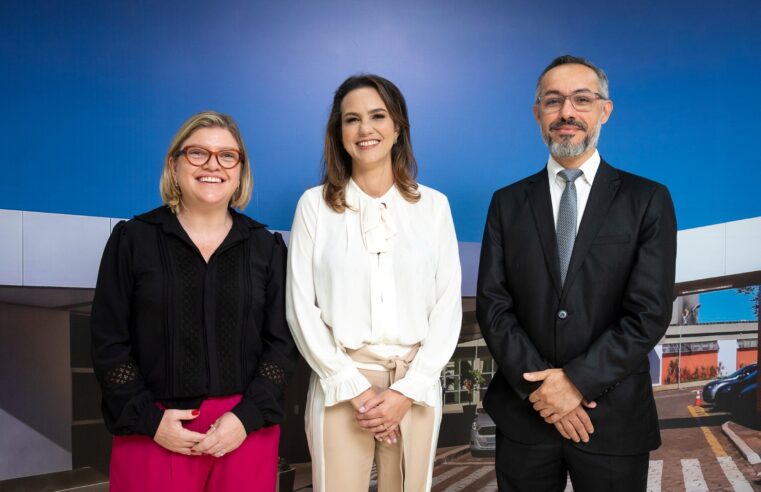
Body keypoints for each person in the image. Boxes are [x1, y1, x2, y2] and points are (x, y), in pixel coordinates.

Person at [477, 55, 677, 491]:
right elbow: (494, 306)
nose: (567, 112)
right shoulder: (506, 204)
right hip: (525, 417)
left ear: (605, 110)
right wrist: (543, 393)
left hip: (614, 419)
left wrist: (575, 383)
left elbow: (649, 311)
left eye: (581, 100)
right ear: (538, 114)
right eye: (553, 101)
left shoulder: (647, 200)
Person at [91, 111, 296, 491]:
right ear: (175, 164)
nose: (213, 165)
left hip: (244, 430)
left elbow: (281, 346)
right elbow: (108, 344)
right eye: (198, 153)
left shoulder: (266, 248)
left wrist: (246, 417)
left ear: (240, 169)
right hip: (153, 429)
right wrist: (152, 422)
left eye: (227, 155)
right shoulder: (132, 239)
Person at [286, 74, 462, 491]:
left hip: (415, 386)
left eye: (377, 116)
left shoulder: (434, 207)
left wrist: (408, 390)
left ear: (398, 127)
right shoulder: (313, 206)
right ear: (339, 132)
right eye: (352, 119)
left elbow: (447, 307)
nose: (365, 129)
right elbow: (300, 307)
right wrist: (355, 390)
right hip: (340, 385)